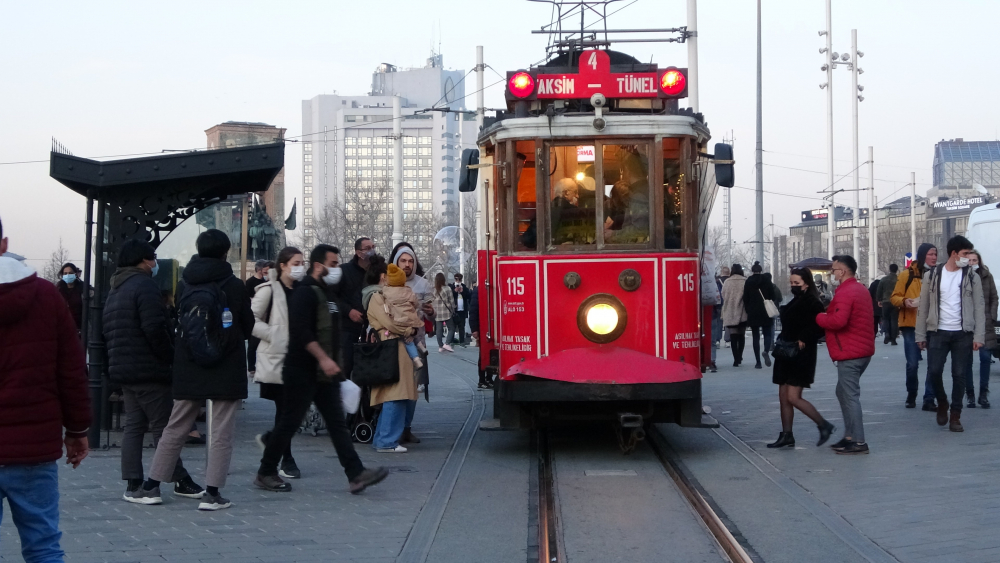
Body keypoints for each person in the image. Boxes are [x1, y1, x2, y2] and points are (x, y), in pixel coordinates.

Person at [255, 244, 389, 492]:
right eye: (334, 264)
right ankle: (266, 470)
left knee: (337, 424)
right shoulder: (305, 292)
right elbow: (301, 331)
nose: (337, 269)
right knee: (290, 423)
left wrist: (334, 365)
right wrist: (323, 359)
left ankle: (356, 474)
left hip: (324, 373)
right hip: (302, 370)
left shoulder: (327, 294)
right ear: (319, 266)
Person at [138, 229, 253, 511]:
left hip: (190, 363)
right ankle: (212, 493)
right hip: (225, 364)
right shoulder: (235, 285)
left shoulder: (186, 283)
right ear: (226, 251)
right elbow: (247, 326)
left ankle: (151, 486)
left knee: (175, 427)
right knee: (221, 431)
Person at [0, 217, 91, 562]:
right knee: (43, 547)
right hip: (33, 448)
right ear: (4, 244)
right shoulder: (46, 296)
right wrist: (78, 430)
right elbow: (71, 372)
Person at [103, 240, 203, 504]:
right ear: (144, 260)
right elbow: (154, 328)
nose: (155, 263)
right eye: (153, 258)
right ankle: (178, 480)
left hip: (124, 368)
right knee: (164, 427)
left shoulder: (116, 288)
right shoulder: (144, 286)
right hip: (148, 367)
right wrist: (169, 358)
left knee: (134, 426)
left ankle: (133, 483)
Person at [915, 235, 986, 432]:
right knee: (934, 371)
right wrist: (920, 335)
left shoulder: (972, 276)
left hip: (963, 333)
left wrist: (979, 336)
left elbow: (980, 307)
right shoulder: (933, 275)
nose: (967, 258)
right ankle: (942, 402)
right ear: (954, 254)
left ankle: (955, 415)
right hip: (938, 332)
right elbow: (924, 306)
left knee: (960, 374)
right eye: (964, 254)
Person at [251, 247, 305, 480]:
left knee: (293, 411)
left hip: (300, 358)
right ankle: (285, 458)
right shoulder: (269, 290)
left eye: (302, 262)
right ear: (282, 265)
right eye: (296, 262)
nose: (300, 266)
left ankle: (272, 442)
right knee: (286, 410)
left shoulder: (303, 290)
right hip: (277, 358)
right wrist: (274, 333)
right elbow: (250, 320)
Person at [767, 268, 835, 449]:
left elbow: (819, 326)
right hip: (786, 352)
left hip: (800, 354)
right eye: (791, 283)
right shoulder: (796, 299)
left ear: (806, 282)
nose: (793, 286)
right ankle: (787, 434)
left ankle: (823, 424)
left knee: (793, 397)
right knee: (783, 396)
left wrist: (805, 337)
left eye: (796, 283)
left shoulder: (813, 301)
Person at [816, 255, 875, 455]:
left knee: (849, 396)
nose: (832, 273)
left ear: (842, 271)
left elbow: (838, 321)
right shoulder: (860, 289)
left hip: (850, 351)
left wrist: (820, 317)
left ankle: (858, 441)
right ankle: (850, 436)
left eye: (834, 270)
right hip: (861, 350)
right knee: (843, 392)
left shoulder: (846, 292)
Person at [367, 258, 422, 453]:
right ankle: (386, 441)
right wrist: (409, 331)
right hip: (390, 349)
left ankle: (384, 438)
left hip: (395, 348)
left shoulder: (383, 296)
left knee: (398, 395)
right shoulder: (376, 297)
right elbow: (390, 324)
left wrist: (410, 330)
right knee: (395, 396)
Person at [891, 243, 938, 410]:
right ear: (923, 255)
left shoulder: (938, 274)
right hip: (911, 324)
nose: (934, 257)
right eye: (931, 254)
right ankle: (911, 393)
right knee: (912, 363)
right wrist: (905, 301)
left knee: (934, 364)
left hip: (933, 325)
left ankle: (929, 398)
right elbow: (894, 297)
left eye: (935, 254)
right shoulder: (907, 275)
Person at [339, 237, 376, 380]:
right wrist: (348, 311)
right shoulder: (344, 271)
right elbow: (333, 298)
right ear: (358, 252)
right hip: (348, 330)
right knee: (346, 368)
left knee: (370, 373)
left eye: (373, 246)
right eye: (367, 248)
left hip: (371, 331)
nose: (372, 250)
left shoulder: (377, 272)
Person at [966, 251, 997, 408]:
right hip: (967, 324)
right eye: (969, 260)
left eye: (974, 260)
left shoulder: (986, 275)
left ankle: (983, 394)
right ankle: (970, 394)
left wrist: (991, 316)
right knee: (967, 361)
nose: (972, 262)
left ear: (979, 261)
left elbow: (994, 297)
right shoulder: (962, 276)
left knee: (985, 358)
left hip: (985, 323)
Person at [383, 263, 427, 369]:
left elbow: (385, 306)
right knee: (413, 334)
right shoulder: (408, 290)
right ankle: (421, 347)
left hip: (398, 320)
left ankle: (416, 359)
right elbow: (416, 303)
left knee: (408, 340)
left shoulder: (386, 291)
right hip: (410, 318)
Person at [742, 262, 774, 369]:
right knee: (767, 333)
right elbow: (772, 295)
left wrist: (748, 310)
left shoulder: (748, 281)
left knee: (755, 336)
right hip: (766, 310)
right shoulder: (766, 280)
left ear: (752, 270)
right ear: (761, 270)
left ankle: (758, 362)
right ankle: (765, 351)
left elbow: (745, 298)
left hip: (753, 311)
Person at [246, 259, 273, 379]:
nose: (265, 274)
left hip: (267, 321)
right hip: (259, 320)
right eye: (265, 271)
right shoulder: (253, 283)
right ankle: (252, 367)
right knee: (253, 345)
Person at [721, 264, 748, 366]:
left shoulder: (727, 282)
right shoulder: (744, 281)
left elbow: (723, 294)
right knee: (741, 335)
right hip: (742, 310)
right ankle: (740, 356)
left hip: (730, 311)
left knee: (733, 336)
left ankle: (735, 359)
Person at [56, 262, 86, 332]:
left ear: (75, 274)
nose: (68, 275)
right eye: (65, 273)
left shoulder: (83, 289)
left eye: (70, 273)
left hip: (80, 328)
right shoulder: (58, 290)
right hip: (62, 328)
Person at [432, 273, 457, 353]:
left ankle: (440, 346)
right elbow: (451, 300)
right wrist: (454, 308)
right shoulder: (447, 288)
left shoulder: (433, 290)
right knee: (451, 328)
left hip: (437, 313)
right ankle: (447, 343)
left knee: (439, 330)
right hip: (446, 312)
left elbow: (431, 302)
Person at [877, 264, 900, 345]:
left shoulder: (884, 279)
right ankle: (893, 339)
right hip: (896, 302)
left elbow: (879, 290)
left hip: (885, 301)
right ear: (896, 270)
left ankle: (887, 334)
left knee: (885, 319)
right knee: (894, 320)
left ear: (889, 269)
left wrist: (879, 300)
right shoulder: (899, 280)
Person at [450, 273, 472, 346]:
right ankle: (451, 340)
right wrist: (455, 291)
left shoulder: (464, 287)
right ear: (454, 279)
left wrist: (463, 292)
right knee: (452, 326)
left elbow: (469, 296)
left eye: (459, 279)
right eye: (456, 279)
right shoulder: (451, 287)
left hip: (462, 310)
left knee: (461, 326)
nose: (458, 281)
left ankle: (462, 341)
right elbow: (449, 297)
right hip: (454, 310)